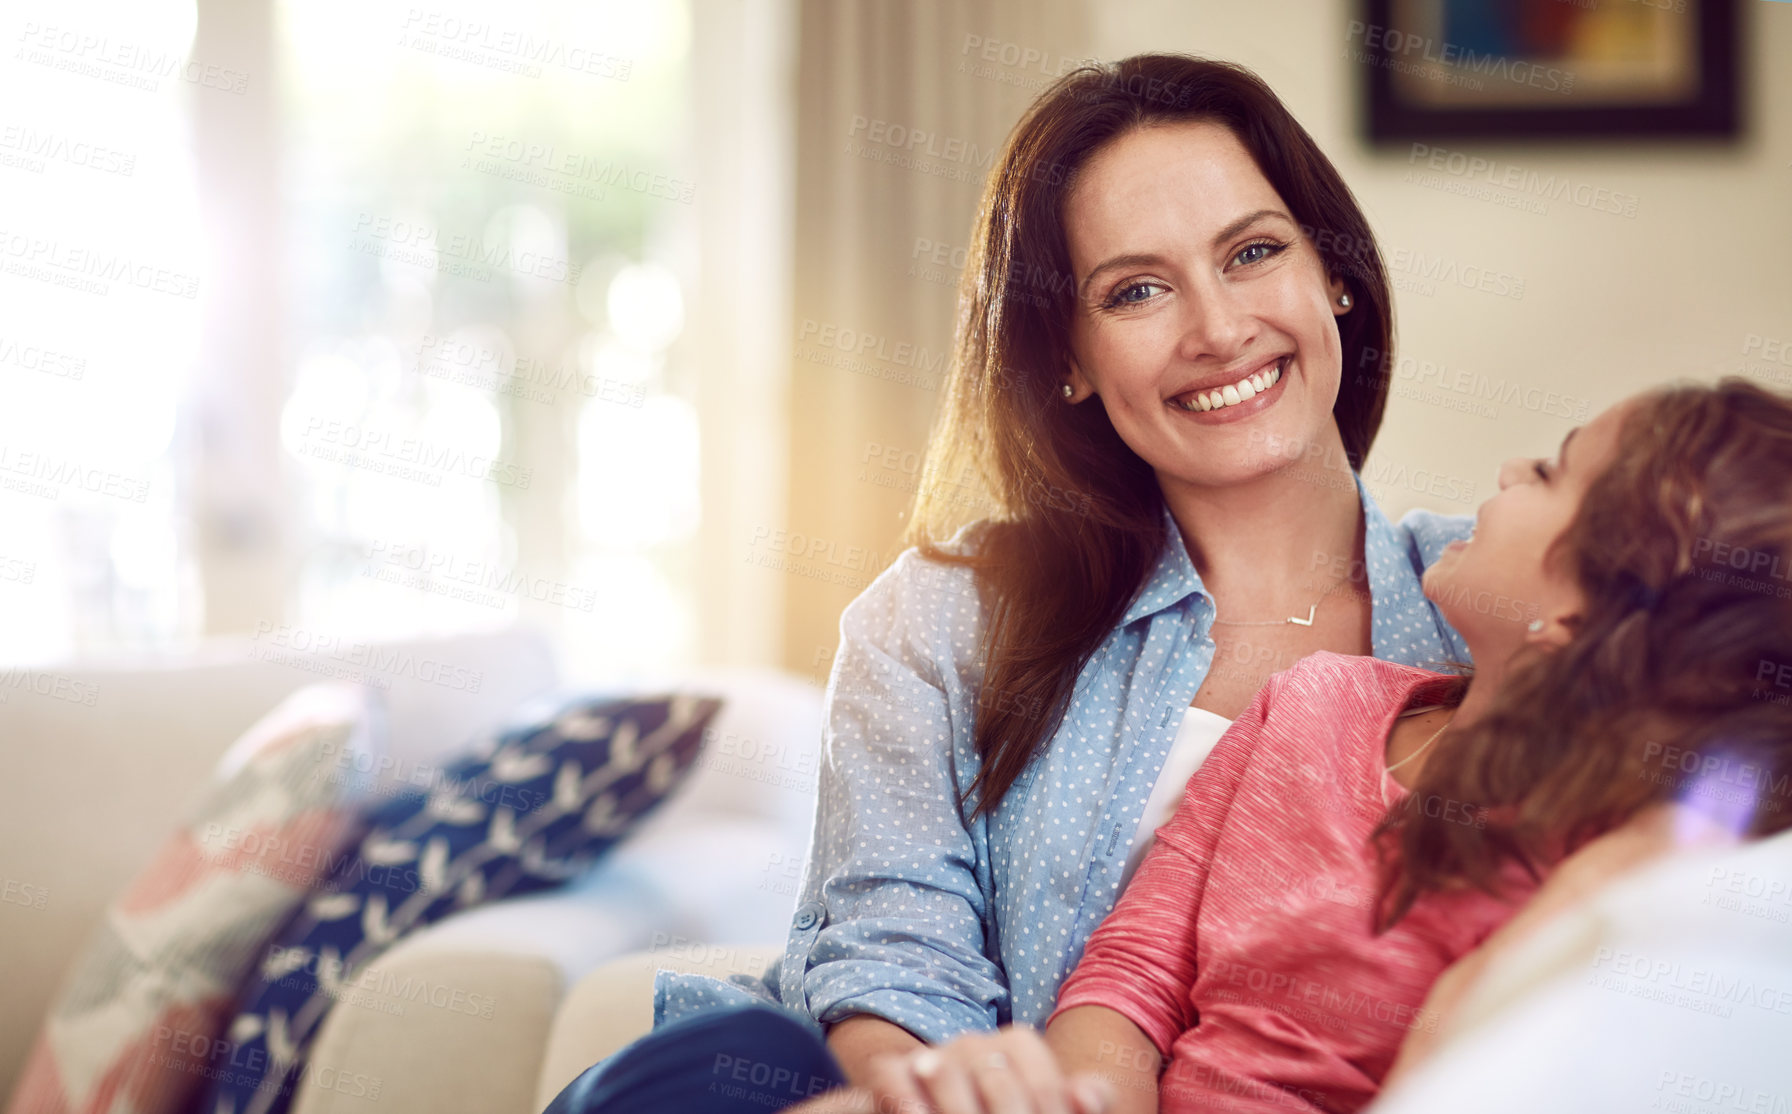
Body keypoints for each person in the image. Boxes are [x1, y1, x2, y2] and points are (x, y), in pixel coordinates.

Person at [543, 52, 1475, 1114]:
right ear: (1066, 356)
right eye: (1135, 289)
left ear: (1335, 276)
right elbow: (895, 952)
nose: (1217, 329)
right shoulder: (940, 616)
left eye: (1253, 253)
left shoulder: (1503, 614)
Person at [791, 376, 1792, 1114]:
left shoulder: (1613, 852)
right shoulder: (1315, 704)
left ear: (1577, 620)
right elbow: (1133, 975)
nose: (1504, 470)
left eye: (1547, 472)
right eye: (1136, 289)